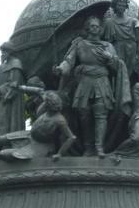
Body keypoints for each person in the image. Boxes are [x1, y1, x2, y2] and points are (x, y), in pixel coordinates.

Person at [55, 16, 130, 157]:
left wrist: (110, 58)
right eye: (92, 26)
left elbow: (116, 67)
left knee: (101, 113)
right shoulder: (80, 44)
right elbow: (69, 61)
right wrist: (61, 68)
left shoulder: (108, 46)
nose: (95, 28)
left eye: (97, 26)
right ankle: (88, 147)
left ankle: (99, 147)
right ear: (87, 28)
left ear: (101, 29)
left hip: (102, 81)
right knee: (84, 113)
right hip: (85, 82)